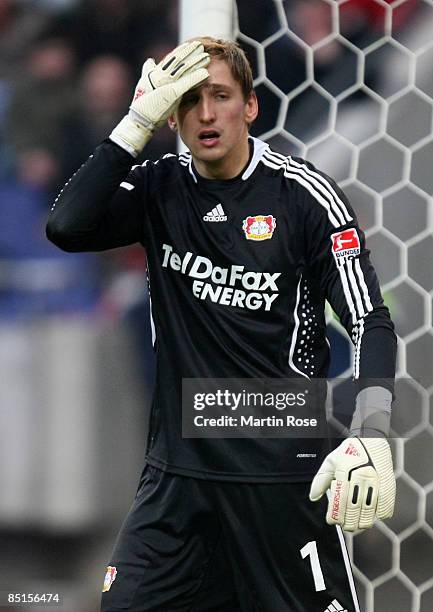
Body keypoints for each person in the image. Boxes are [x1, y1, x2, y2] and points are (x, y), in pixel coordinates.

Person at [46, 37, 397, 612]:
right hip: (178, 479)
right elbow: (67, 226)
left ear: (251, 106)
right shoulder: (159, 186)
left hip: (282, 475)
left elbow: (370, 320)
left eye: (220, 96)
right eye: (189, 101)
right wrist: (134, 125)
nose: (206, 114)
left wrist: (372, 432)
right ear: (172, 115)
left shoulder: (305, 197)